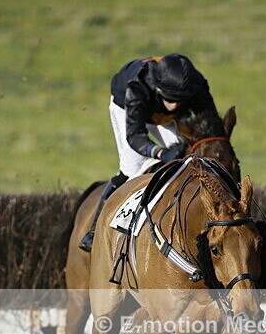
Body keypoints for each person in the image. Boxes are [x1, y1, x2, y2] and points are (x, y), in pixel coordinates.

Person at [79, 53, 218, 252]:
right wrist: (161, 153)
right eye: (171, 99)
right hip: (128, 108)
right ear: (159, 89)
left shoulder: (197, 86)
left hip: (165, 115)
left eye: (180, 100)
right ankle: (95, 230)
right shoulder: (137, 87)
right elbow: (135, 136)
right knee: (132, 168)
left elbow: (210, 126)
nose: (176, 105)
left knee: (190, 159)